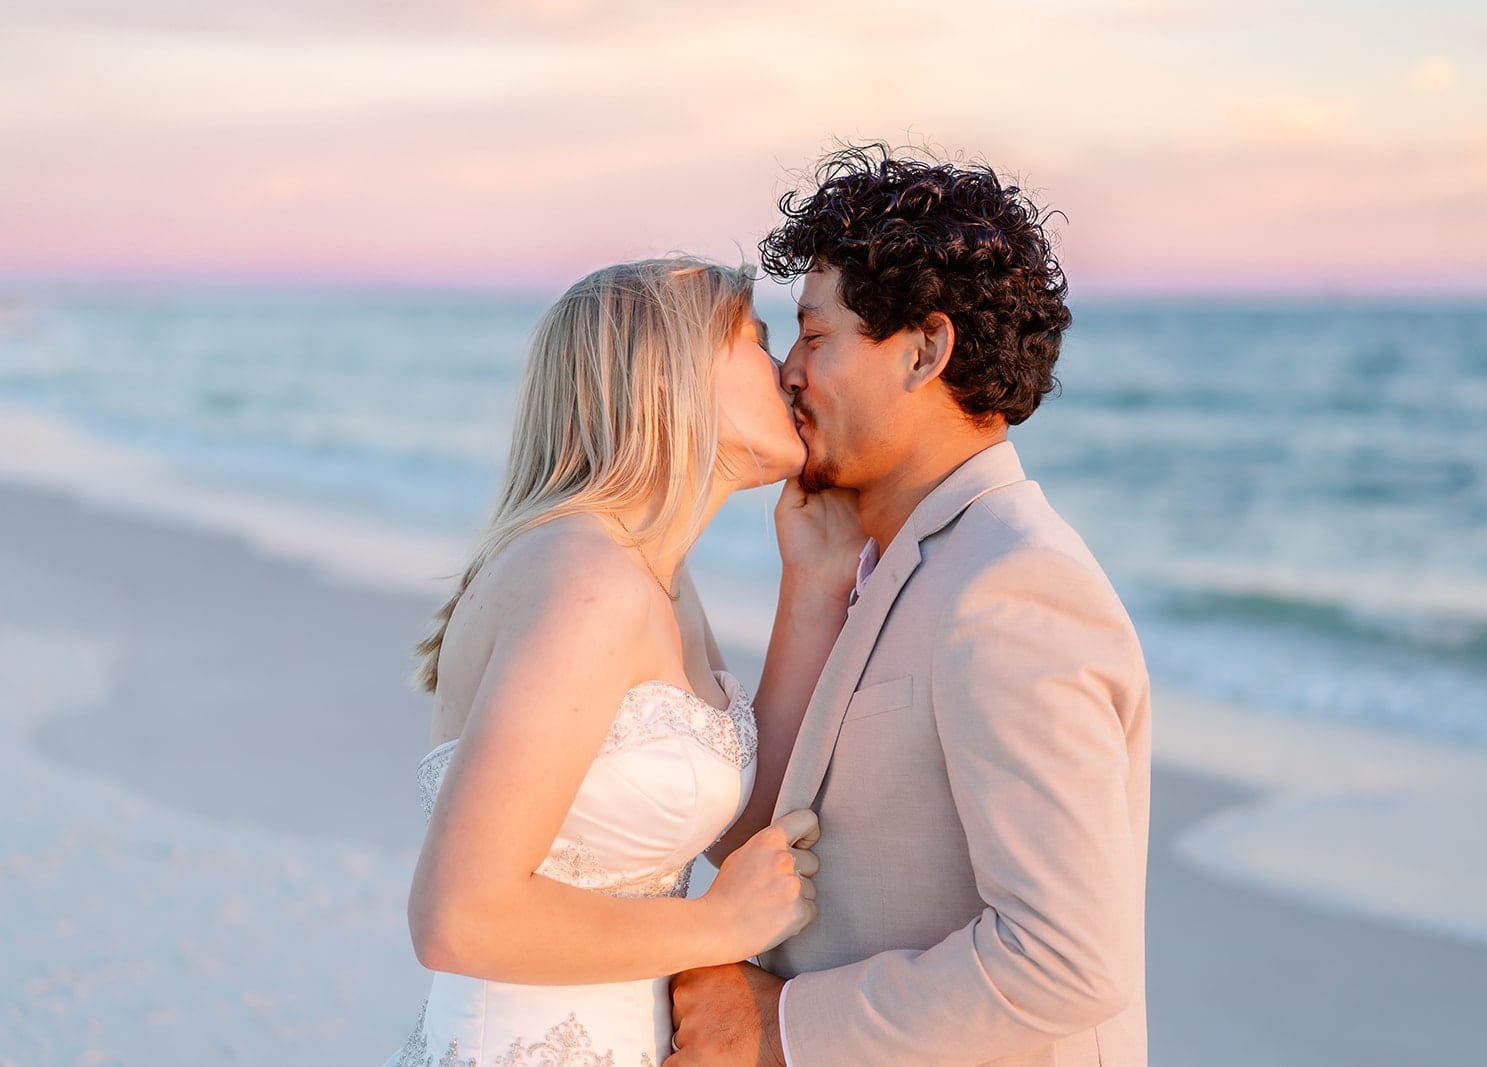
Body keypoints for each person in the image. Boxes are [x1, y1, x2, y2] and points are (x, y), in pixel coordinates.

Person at [668, 147, 1152, 1066]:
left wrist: (780, 1025)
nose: (790, 373)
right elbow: (772, 827)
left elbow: (1068, 959)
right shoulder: (893, 560)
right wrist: (810, 585)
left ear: (926, 350)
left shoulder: (1013, 587)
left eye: (815, 336)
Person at [384, 258, 865, 1067]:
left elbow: (738, 827)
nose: (787, 370)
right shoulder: (588, 582)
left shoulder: (652, 578)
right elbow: (456, 917)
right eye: (753, 338)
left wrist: (812, 583)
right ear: (667, 377)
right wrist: (720, 926)